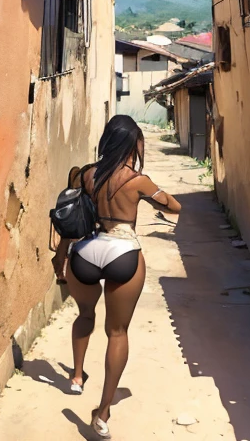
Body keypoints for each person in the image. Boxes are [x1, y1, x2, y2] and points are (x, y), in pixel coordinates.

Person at [52, 115, 181, 439]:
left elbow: (72, 218)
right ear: (131, 144)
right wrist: (156, 193)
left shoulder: (86, 175)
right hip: (123, 251)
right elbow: (174, 207)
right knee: (118, 332)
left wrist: (61, 257)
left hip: (87, 250)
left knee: (84, 314)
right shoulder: (138, 180)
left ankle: (77, 377)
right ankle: (103, 412)